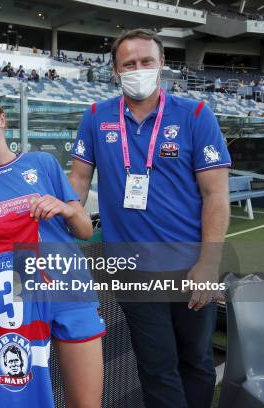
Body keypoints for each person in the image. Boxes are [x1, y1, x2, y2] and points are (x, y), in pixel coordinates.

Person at [69, 29, 230, 408]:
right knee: (157, 367)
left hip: (191, 266)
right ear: (115, 69)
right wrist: (61, 217)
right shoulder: (95, 116)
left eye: (146, 61)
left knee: (196, 360)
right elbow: (77, 180)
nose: (137, 69)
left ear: (162, 65)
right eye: (129, 64)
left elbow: (216, 194)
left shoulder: (194, 115)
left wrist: (209, 264)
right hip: (133, 270)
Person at [0, 93, 106, 408]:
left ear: (1, 120)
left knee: (86, 403)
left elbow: (84, 230)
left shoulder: (41, 163)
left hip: (68, 287)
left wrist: (65, 209)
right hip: (16, 300)